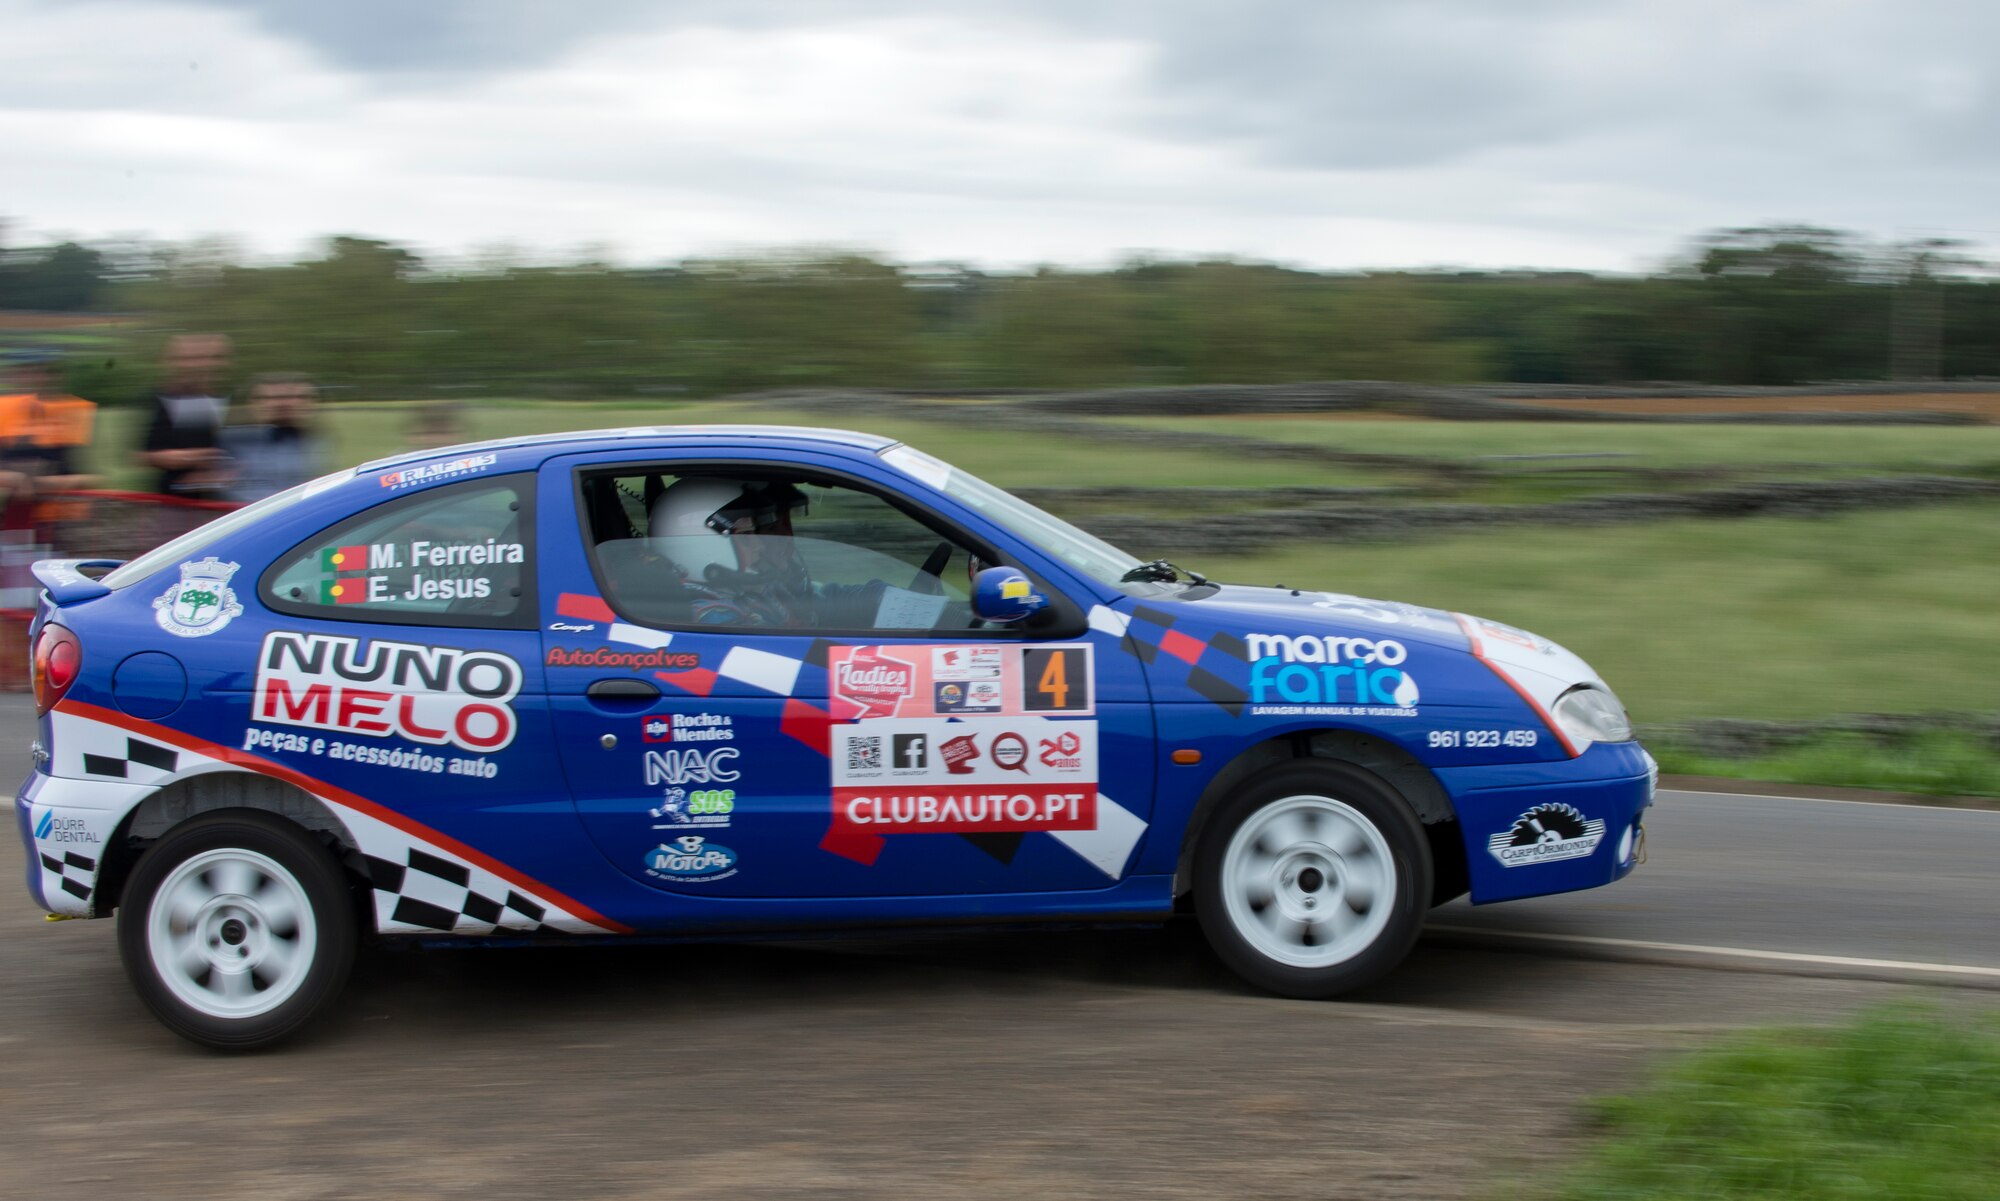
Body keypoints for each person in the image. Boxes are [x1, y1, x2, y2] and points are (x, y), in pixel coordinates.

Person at [219, 372, 326, 501]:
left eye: (298, 397)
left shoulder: (317, 442)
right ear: (253, 403)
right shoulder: (234, 442)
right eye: (270, 398)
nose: (283, 404)